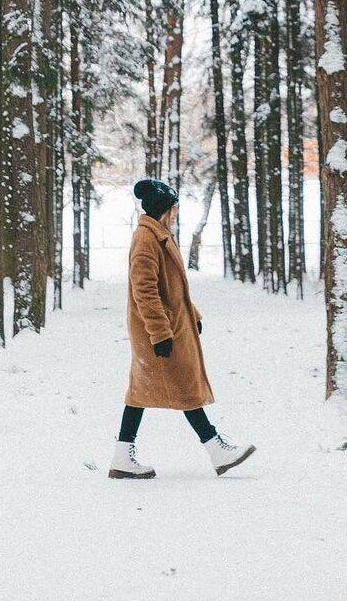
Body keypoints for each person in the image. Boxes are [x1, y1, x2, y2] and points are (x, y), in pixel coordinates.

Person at [109, 178, 256, 480]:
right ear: (165, 208)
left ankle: (122, 456)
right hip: (158, 331)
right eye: (174, 207)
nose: (176, 212)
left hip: (168, 325)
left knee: (142, 393)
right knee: (184, 387)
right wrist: (160, 332)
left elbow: (174, 288)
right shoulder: (146, 239)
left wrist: (193, 314)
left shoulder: (158, 234)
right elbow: (144, 290)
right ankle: (216, 449)